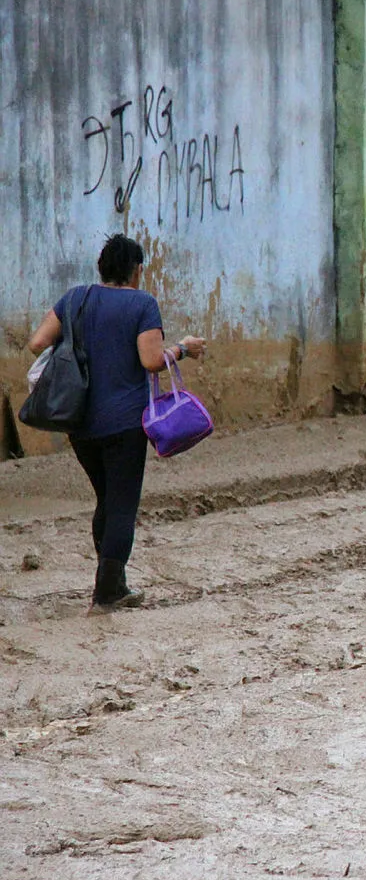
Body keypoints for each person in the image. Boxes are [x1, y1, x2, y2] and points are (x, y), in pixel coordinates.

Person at [25, 234, 207, 613]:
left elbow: (36, 343)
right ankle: (107, 592)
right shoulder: (142, 304)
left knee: (107, 499)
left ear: (101, 267)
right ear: (137, 270)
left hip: (79, 422)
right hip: (125, 423)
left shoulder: (75, 298)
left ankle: (113, 581)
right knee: (122, 503)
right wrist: (185, 348)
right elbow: (153, 361)